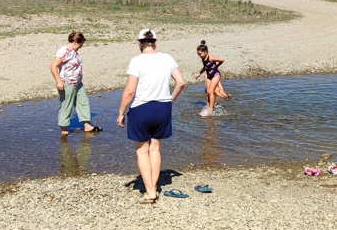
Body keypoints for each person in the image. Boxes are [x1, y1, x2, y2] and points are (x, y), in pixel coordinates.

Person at [117, 28, 186, 203]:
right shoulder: (167, 58)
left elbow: (130, 90)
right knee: (154, 148)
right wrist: (170, 99)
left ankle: (150, 192)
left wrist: (121, 112)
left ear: (139, 43)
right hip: (163, 107)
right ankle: (153, 187)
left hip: (142, 108)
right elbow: (181, 82)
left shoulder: (136, 61)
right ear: (155, 42)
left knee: (142, 151)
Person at [50, 30, 102, 136]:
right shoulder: (64, 51)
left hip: (78, 83)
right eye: (80, 44)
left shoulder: (74, 52)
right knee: (66, 105)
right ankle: (64, 128)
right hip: (67, 83)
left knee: (83, 103)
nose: (80, 47)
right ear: (75, 42)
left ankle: (87, 125)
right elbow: (53, 66)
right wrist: (58, 81)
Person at [193, 40, 230, 116]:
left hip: (215, 75)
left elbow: (222, 60)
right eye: (198, 54)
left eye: (200, 54)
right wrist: (199, 73)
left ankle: (211, 110)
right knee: (207, 93)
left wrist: (217, 65)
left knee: (210, 91)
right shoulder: (203, 58)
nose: (199, 56)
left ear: (206, 52)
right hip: (209, 76)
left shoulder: (211, 58)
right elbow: (205, 67)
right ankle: (208, 107)